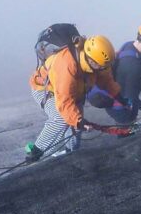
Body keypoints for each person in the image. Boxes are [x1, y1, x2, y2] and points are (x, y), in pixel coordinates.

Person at [25, 34, 120, 162]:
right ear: (91, 60)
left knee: (75, 121)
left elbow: (106, 79)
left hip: (74, 90)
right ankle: (35, 152)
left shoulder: (98, 62)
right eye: (102, 66)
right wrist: (78, 121)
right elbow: (64, 101)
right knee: (61, 118)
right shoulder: (67, 64)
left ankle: (71, 154)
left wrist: (118, 95)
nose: (103, 69)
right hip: (46, 89)